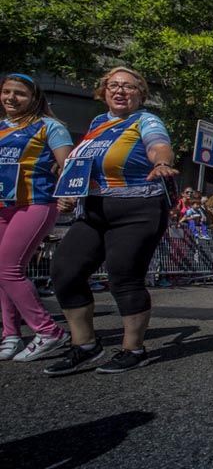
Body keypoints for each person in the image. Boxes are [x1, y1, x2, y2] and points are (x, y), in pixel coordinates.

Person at [46, 67, 178, 375]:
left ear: (140, 94)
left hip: (138, 207)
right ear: (104, 91)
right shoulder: (96, 124)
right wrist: (68, 190)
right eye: (114, 86)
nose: (120, 91)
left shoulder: (146, 120)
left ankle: (134, 348)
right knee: (65, 271)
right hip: (93, 209)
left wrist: (161, 162)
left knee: (124, 275)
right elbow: (79, 166)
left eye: (129, 87)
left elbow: (158, 144)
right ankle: (85, 345)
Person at [0, 74, 73, 362]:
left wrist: (69, 194)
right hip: (4, 204)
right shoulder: (1, 128)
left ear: (34, 98)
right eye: (6, 91)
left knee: (8, 267)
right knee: (1, 271)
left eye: (19, 93)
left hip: (36, 203)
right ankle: (11, 335)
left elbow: (68, 166)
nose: (10, 98)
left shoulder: (50, 127)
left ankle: (49, 331)